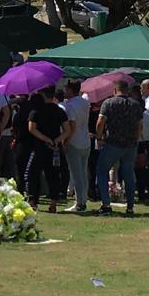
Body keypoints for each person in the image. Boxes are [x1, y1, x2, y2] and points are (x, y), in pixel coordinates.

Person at [95, 80, 143, 215]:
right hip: (130, 144)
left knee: (102, 171)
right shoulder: (135, 104)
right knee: (128, 174)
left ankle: (106, 204)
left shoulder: (109, 103)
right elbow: (139, 126)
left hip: (113, 143)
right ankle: (130, 206)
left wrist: (99, 138)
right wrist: (135, 140)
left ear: (115, 90)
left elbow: (100, 122)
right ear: (127, 90)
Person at [23, 87, 69, 213]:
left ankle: (32, 201)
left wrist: (45, 139)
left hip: (39, 147)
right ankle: (53, 203)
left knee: (32, 174)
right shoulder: (59, 111)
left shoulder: (36, 111)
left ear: (42, 94)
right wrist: (56, 140)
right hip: (54, 148)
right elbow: (67, 130)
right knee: (53, 175)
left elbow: (32, 128)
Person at [61, 80, 93, 211]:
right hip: (85, 140)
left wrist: (66, 140)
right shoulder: (85, 102)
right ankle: (82, 199)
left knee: (76, 174)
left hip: (74, 141)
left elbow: (72, 125)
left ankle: (80, 203)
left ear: (70, 90)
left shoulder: (70, 105)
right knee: (83, 173)